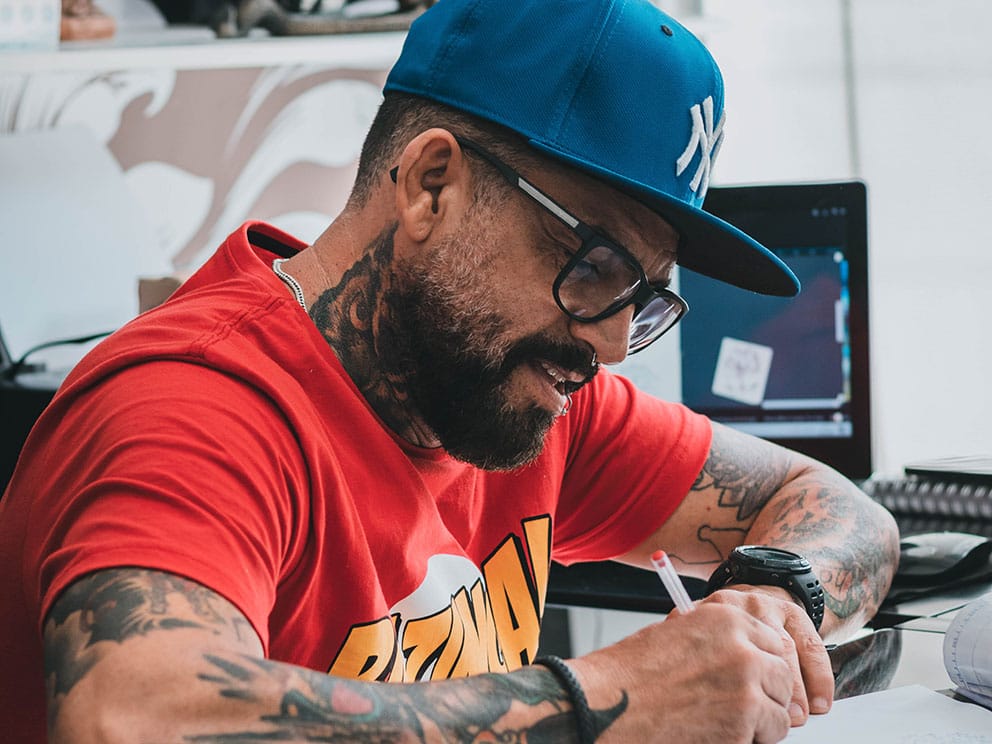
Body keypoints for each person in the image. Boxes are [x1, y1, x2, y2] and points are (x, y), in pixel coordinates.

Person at [0, 1, 900, 742]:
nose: (616, 344)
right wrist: (607, 702)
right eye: (593, 268)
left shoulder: (523, 398)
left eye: (645, 296)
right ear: (434, 184)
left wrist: (772, 608)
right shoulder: (196, 408)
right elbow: (129, 717)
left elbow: (841, 510)